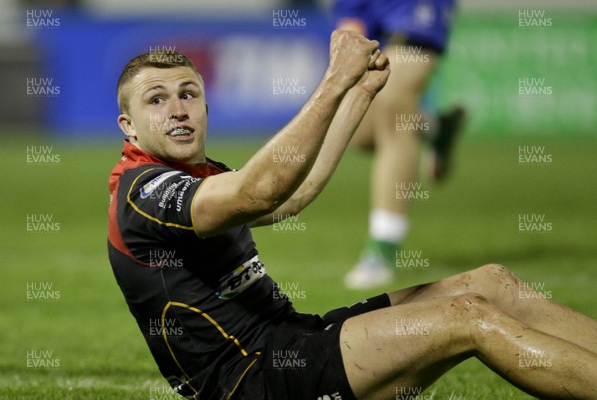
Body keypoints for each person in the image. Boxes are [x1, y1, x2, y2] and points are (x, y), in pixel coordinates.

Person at [108, 31, 597, 400]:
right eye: (157, 100)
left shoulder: (199, 175)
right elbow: (259, 191)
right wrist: (333, 80)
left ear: (206, 105)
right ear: (128, 127)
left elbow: (290, 197)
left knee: (493, 282)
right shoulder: (143, 191)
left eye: (188, 94)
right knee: (468, 317)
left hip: (292, 341)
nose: (177, 110)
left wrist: (359, 93)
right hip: (253, 379)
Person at [334, 0, 466, 289]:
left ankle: (382, 249)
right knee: (362, 132)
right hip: (367, 11)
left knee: (393, 105)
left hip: (415, 9)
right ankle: (436, 127)